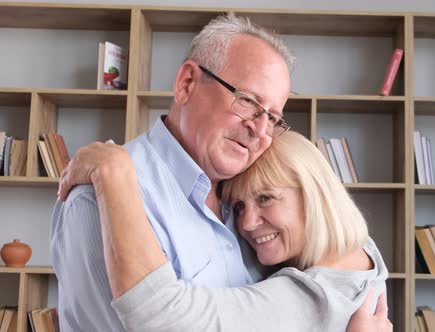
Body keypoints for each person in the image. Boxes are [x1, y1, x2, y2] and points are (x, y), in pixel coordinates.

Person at [51, 13, 391, 332]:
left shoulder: (248, 193)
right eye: (247, 101)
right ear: (186, 83)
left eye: (272, 117)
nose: (260, 130)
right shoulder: (98, 199)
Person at [58, 130, 390, 331]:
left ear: (315, 195)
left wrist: (114, 170)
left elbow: (157, 314)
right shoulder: (363, 253)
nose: (245, 223)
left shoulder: (307, 299)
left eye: (266, 198)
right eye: (240, 206)